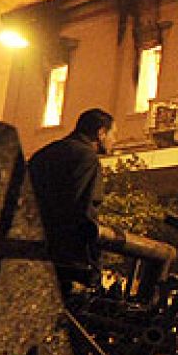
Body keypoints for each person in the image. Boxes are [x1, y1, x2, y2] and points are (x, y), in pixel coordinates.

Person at [27, 108, 113, 287]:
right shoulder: (87, 158)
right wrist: (94, 263)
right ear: (101, 133)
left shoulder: (43, 154)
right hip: (66, 260)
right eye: (113, 134)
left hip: (33, 248)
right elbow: (83, 210)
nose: (115, 140)